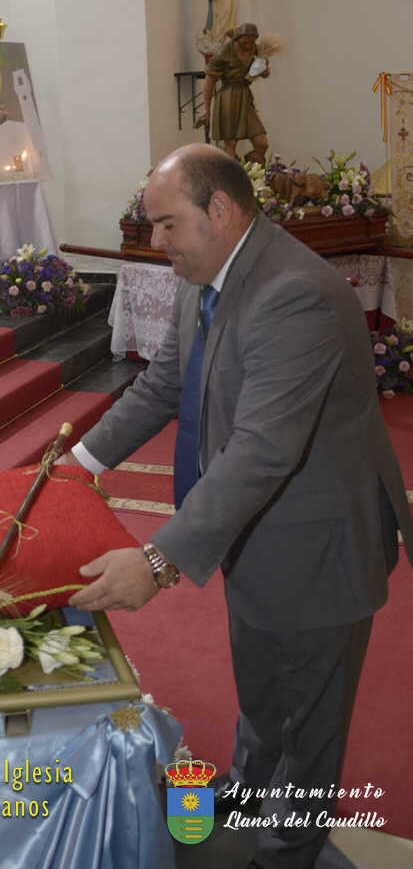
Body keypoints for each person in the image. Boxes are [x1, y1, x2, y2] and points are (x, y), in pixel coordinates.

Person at [65, 144, 413, 869]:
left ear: (218, 210)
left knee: (309, 721)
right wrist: (76, 467)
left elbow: (262, 449)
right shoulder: (208, 273)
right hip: (248, 530)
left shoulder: (294, 294)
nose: (155, 244)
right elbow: (164, 384)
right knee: (260, 686)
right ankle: (252, 793)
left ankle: (287, 851)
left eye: (165, 224)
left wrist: (157, 561)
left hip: (319, 544)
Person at [200, 22, 270, 162]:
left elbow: (266, 74)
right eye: (246, 39)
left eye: (252, 39)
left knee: (262, 143)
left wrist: (262, 67)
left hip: (245, 97)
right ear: (238, 37)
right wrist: (206, 109)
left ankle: (246, 170)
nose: (249, 43)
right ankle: (235, 174)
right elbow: (210, 81)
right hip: (228, 97)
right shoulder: (225, 51)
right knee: (230, 145)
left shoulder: (255, 50)